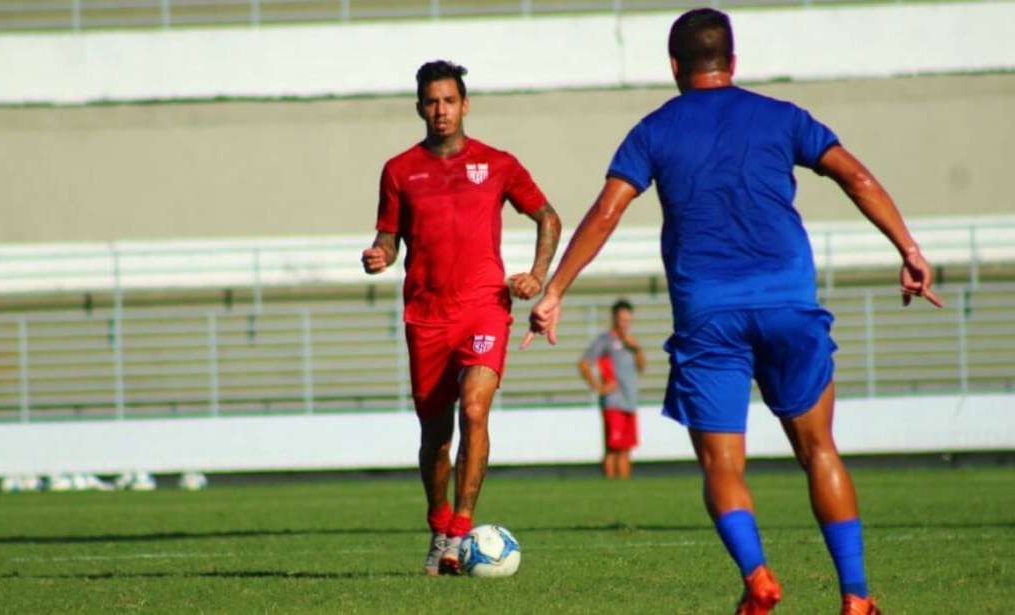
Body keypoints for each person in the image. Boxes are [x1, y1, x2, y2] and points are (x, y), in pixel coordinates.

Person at [522, 9, 942, 614]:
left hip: (708, 314)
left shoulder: (654, 129)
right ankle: (855, 597)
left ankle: (758, 576)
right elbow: (857, 176)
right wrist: (908, 249)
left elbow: (607, 211)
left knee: (722, 464)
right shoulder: (781, 117)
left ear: (674, 66)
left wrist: (556, 289)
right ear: (733, 62)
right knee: (819, 449)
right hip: (789, 306)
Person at [362, 60, 561, 576]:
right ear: (419, 108)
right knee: (436, 435)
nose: (441, 110)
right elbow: (389, 235)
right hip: (426, 316)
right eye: (431, 102)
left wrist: (537, 275)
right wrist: (380, 253)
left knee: (475, 409)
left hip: (483, 308)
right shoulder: (399, 170)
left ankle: (460, 531)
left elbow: (547, 216)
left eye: (449, 101)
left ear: (465, 105)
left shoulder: (497, 164)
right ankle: (438, 525)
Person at [578, 298, 645, 479]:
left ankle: (623, 490)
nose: (625, 324)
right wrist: (599, 387)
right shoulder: (605, 340)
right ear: (614, 319)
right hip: (613, 401)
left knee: (626, 449)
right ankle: (610, 486)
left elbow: (641, 367)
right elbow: (584, 364)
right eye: (622, 320)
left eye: (628, 320)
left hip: (630, 400)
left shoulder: (631, 342)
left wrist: (637, 349)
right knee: (613, 448)